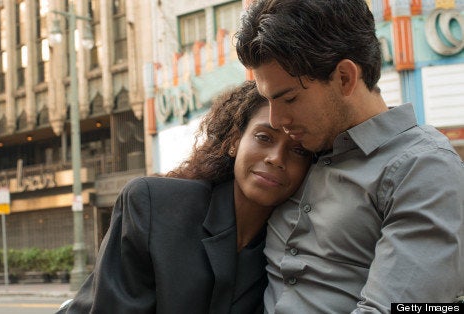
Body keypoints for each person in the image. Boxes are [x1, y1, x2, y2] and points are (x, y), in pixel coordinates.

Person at [235, 0, 464, 312]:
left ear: (344, 78)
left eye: (289, 98)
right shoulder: (300, 152)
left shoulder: (422, 167)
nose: (277, 120)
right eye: (269, 100)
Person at [57, 80, 313, 313]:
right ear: (235, 141)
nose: (277, 158)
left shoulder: (290, 246)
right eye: (264, 137)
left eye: (298, 151)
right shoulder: (152, 204)